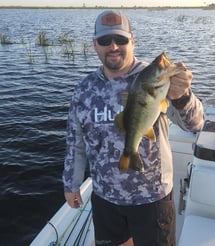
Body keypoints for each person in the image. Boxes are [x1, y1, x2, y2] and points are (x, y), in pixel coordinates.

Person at [63, 10, 204, 246]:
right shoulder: (84, 89)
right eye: (105, 40)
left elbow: (195, 124)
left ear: (132, 40)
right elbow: (75, 141)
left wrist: (182, 97)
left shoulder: (155, 78)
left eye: (121, 39)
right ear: (95, 45)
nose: (113, 46)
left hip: (152, 199)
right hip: (105, 197)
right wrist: (71, 184)